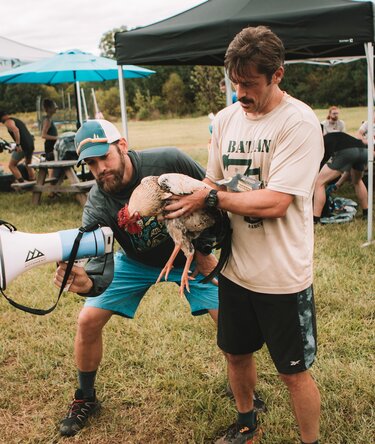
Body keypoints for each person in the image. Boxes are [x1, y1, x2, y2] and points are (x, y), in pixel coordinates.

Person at [53, 119, 264, 437]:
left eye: (104, 156)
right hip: (135, 262)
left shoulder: (167, 161)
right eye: (91, 163)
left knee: (230, 323)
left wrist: (204, 252)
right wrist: (88, 283)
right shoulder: (98, 202)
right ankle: (86, 397)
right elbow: (97, 259)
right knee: (87, 320)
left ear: (121, 146)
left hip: (191, 256)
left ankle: (247, 396)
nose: (100, 168)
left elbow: (212, 197)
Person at [164, 26, 323, 444]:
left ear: (277, 75)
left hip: (282, 275)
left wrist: (209, 199)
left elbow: (275, 203)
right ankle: (246, 422)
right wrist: (194, 212)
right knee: (235, 354)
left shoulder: (299, 123)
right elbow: (212, 181)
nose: (240, 94)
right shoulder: (227, 118)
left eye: (250, 84)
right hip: (234, 271)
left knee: (293, 372)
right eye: (235, 83)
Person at [313, 132, 369, 223]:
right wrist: (338, 184)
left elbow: (321, 164)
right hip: (364, 151)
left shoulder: (322, 142)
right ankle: (366, 213)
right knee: (357, 181)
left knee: (319, 183)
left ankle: (315, 219)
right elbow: (348, 168)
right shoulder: (337, 136)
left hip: (348, 152)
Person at [0, 110, 35, 182]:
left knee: (12, 165)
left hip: (23, 146)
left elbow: (16, 130)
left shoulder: (8, 121)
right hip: (30, 144)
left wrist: (18, 145)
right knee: (28, 164)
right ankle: (33, 180)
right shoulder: (16, 120)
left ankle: (22, 183)